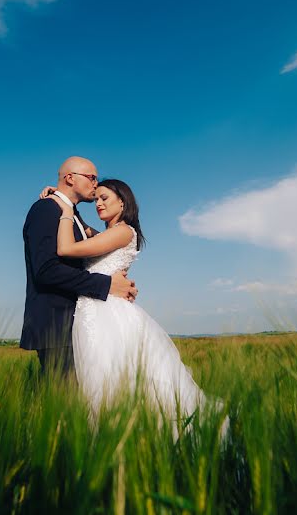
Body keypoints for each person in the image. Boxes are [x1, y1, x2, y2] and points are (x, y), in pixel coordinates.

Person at [44, 178, 225, 430]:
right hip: (92, 311)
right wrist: (63, 196)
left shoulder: (122, 231)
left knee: (114, 379)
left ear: (123, 201)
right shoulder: (109, 234)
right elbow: (84, 229)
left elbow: (65, 249)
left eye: (104, 198)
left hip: (107, 314)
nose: (98, 203)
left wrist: (63, 210)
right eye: (96, 199)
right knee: (101, 381)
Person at [21, 157, 138, 376]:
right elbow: (46, 270)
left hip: (84, 323)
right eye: (92, 178)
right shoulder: (47, 209)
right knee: (65, 402)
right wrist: (108, 284)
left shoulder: (72, 215)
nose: (95, 184)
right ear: (70, 178)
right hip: (56, 325)